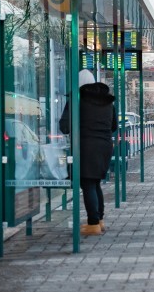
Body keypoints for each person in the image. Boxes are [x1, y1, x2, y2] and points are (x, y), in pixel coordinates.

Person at [59, 69, 117, 236]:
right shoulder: (108, 102)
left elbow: (65, 126)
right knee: (95, 183)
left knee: (88, 184)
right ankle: (99, 220)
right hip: (105, 146)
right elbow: (114, 126)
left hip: (86, 146)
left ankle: (93, 223)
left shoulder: (77, 100)